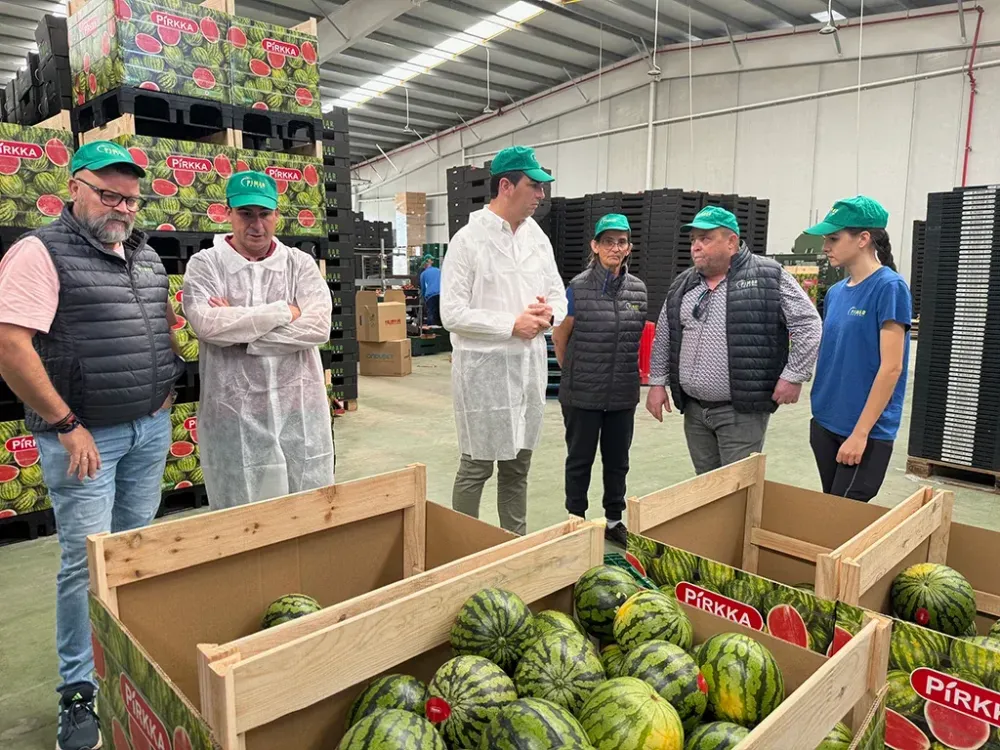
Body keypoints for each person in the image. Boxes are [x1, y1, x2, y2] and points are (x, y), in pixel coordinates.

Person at [0, 141, 185, 750]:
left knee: (132, 550)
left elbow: (157, 326)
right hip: (86, 439)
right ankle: (79, 691)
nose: (122, 207)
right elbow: (11, 347)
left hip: (147, 429)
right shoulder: (39, 252)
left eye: (131, 198)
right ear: (74, 187)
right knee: (86, 563)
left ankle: (127, 656)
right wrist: (65, 423)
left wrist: (163, 392)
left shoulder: (145, 255)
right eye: (108, 194)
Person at [183, 171, 334, 509]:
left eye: (265, 214)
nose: (257, 225)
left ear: (277, 215)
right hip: (234, 411)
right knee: (243, 509)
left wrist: (241, 333)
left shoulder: (299, 264)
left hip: (299, 409)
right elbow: (207, 325)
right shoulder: (206, 265)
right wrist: (286, 311)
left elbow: (318, 327)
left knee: (306, 501)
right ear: (227, 213)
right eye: (246, 214)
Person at [441, 146, 566, 535]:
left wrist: (547, 316)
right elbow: (452, 313)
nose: (541, 195)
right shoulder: (469, 240)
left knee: (518, 466)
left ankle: (515, 542)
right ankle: (462, 545)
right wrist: (511, 324)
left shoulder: (537, 239)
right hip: (483, 374)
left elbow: (558, 295)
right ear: (507, 186)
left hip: (528, 371)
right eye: (534, 186)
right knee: (476, 466)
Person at [646, 206, 823, 474]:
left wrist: (794, 375)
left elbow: (807, 323)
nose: (695, 246)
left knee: (737, 487)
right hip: (694, 412)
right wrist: (657, 383)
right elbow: (665, 333)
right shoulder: (683, 284)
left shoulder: (768, 276)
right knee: (705, 485)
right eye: (693, 239)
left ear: (731, 242)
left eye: (705, 238)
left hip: (741, 412)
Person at [804, 196, 911, 502]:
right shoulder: (836, 293)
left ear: (864, 238)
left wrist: (861, 433)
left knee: (843, 519)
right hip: (826, 423)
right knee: (831, 509)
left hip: (863, 431)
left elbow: (892, 368)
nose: (826, 247)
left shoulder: (889, 288)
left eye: (834, 238)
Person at [552, 214, 646, 546]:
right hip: (582, 394)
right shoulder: (577, 288)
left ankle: (614, 520)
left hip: (622, 394)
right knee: (579, 460)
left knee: (617, 461)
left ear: (628, 247)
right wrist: (575, 373)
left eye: (621, 241)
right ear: (595, 246)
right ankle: (575, 521)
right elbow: (560, 337)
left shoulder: (638, 290)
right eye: (608, 241)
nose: (615, 247)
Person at [419, 254, 441, 326]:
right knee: (440, 314)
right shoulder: (438, 271)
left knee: (431, 314)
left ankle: (431, 332)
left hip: (431, 296)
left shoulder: (423, 274)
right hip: (441, 294)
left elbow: (423, 289)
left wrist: (423, 300)